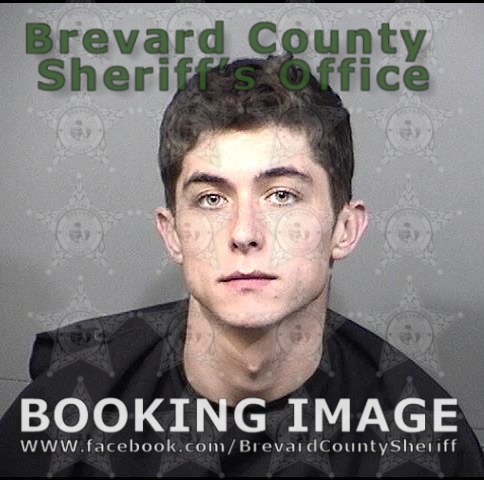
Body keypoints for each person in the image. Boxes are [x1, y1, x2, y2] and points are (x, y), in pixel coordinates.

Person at [0, 55, 483, 477]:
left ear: (345, 228)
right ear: (172, 233)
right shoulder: (65, 408)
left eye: (282, 196)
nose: (244, 232)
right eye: (211, 199)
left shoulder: (426, 441)